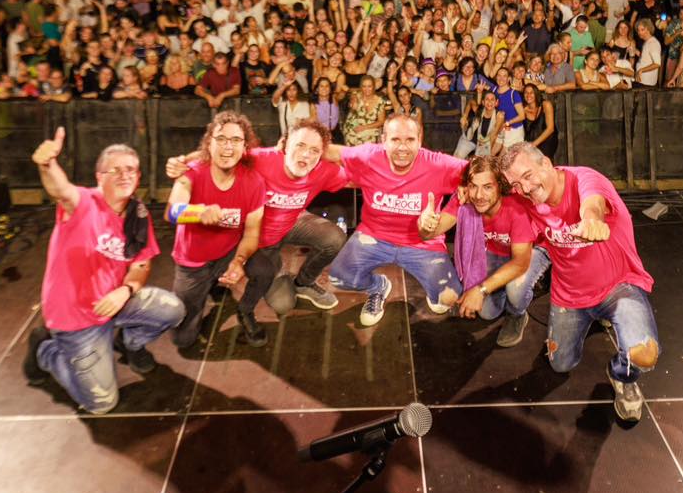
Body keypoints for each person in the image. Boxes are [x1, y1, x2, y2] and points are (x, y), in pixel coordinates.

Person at [24, 128, 184, 414]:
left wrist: (126, 290)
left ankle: (129, 343)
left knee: (172, 309)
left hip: (116, 301)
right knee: (101, 404)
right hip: (77, 321)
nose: (126, 176)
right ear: (100, 177)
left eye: (132, 170)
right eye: (116, 170)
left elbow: (141, 263)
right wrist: (47, 165)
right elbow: (60, 189)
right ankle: (46, 351)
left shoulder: (137, 214)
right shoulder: (83, 203)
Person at [499, 142, 658, 423]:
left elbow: (593, 202)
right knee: (560, 364)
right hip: (569, 294)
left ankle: (622, 375)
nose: (523, 188)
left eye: (527, 176)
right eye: (516, 184)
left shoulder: (586, 179)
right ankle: (537, 315)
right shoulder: (525, 199)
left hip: (617, 287)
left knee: (643, 354)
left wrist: (592, 219)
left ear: (546, 163)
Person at [168, 119, 347, 343]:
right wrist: (184, 160)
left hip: (291, 222)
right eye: (300, 145)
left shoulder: (324, 170)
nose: (306, 155)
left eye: (314, 150)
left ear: (322, 154)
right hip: (259, 238)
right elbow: (223, 150)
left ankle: (303, 282)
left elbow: (364, 174)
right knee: (283, 303)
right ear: (284, 144)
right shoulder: (260, 160)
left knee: (334, 237)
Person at [323, 114, 467, 326]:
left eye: (409, 140)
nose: (402, 147)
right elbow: (330, 151)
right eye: (395, 139)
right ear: (384, 140)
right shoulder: (368, 156)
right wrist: (290, 149)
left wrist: (460, 194)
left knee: (446, 300)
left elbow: (479, 172)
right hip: (373, 236)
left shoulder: (438, 164)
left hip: (422, 243)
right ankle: (378, 287)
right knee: (339, 278)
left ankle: (436, 288)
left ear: (420, 140)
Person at [165, 112, 266, 351]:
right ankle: (204, 292)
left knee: (264, 267)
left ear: (244, 147)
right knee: (182, 339)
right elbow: (171, 211)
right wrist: (197, 212)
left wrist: (239, 262)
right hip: (193, 262)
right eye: (221, 139)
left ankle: (245, 310)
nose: (227, 147)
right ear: (209, 143)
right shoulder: (192, 171)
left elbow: (252, 234)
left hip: (227, 254)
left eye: (235, 140)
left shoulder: (254, 182)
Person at [424, 155, 550, 347]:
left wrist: (481, 290)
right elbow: (430, 233)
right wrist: (425, 224)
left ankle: (518, 315)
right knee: (487, 312)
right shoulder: (465, 199)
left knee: (516, 290)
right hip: (497, 251)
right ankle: (501, 288)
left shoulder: (516, 209)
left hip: (533, 250)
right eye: (473, 186)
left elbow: (520, 263)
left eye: (488, 187)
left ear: (500, 186)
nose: (479, 195)